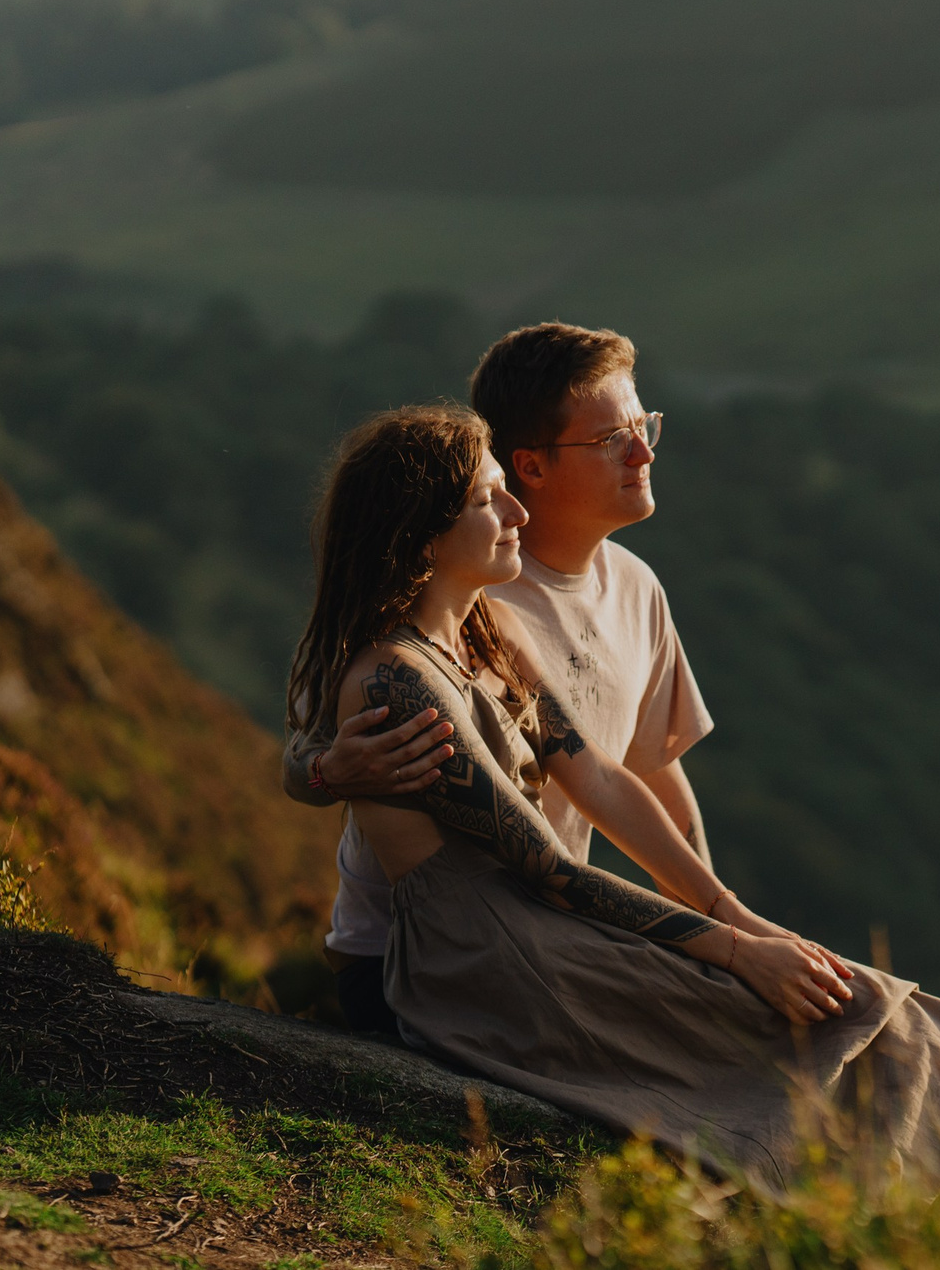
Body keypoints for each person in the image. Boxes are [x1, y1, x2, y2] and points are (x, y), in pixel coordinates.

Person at [286, 404, 940, 1239]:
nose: (518, 514)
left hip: (533, 928)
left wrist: (731, 911)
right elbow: (545, 869)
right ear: (420, 535)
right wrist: (737, 950)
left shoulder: (487, 631)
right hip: (482, 959)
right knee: (804, 1012)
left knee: (858, 1005)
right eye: (493, 499)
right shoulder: (398, 685)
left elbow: (597, 773)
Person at [285, 324, 713, 1036]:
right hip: (439, 952)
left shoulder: (637, 589)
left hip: (544, 929)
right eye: (613, 438)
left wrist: (717, 913)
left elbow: (642, 772)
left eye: (645, 427)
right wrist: (330, 772)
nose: (644, 452)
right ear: (530, 465)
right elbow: (310, 748)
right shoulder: (462, 600)